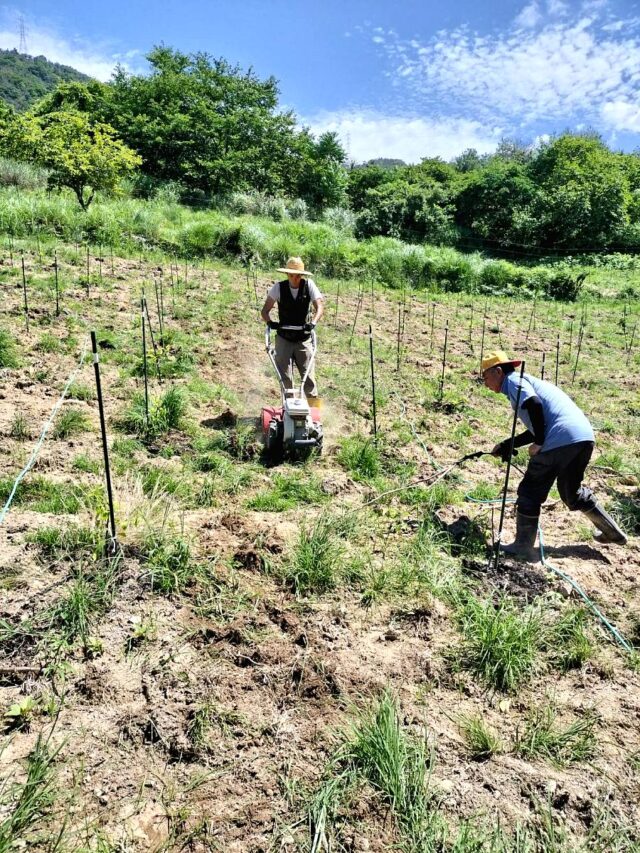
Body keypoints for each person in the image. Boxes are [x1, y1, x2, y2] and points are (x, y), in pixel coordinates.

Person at [481, 349, 627, 561]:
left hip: (560, 439)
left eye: (485, 377)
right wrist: (508, 444)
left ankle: (522, 547)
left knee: (530, 492)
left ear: (497, 372)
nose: (485, 383)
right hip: (582, 437)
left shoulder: (513, 381)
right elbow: (538, 422)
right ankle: (611, 531)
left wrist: (539, 442)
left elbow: (534, 405)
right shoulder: (524, 381)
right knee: (571, 493)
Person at [261, 257, 324, 405]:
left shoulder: (309, 286)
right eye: (291, 275)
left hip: (303, 337)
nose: (295, 278)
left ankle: (315, 414)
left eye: (298, 275)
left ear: (302, 275)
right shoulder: (278, 287)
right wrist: (270, 323)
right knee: (285, 379)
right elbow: (265, 311)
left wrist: (313, 323)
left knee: (309, 378)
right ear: (287, 275)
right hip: (284, 337)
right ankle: (288, 411)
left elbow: (319, 307)